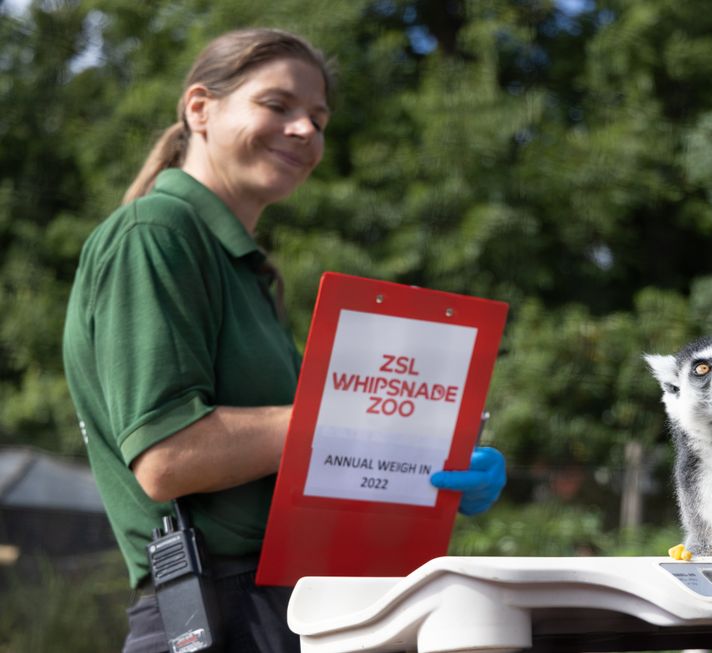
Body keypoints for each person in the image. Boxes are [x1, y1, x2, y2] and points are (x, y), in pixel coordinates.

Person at [62, 28, 506, 653]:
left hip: (289, 604)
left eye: (318, 118)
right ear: (199, 109)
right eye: (277, 105)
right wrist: (363, 423)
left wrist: (426, 467)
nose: (305, 130)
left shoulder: (247, 270)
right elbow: (168, 458)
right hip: (218, 612)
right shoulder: (154, 234)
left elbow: (292, 456)